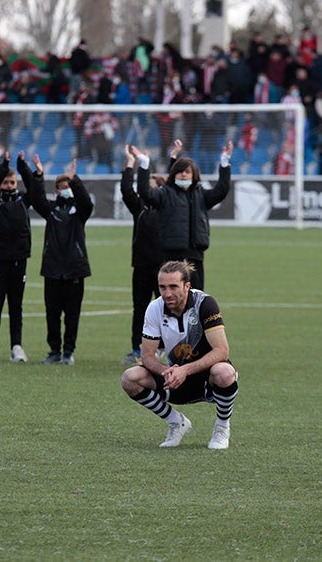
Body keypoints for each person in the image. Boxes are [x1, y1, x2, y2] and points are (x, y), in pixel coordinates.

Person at [120, 260, 238, 450]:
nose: (167, 293)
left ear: (187, 286)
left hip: (207, 377)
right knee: (130, 378)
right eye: (162, 287)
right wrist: (167, 371)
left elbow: (222, 351)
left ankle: (222, 427)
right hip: (174, 378)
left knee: (225, 372)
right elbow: (148, 356)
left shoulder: (205, 304)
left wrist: (185, 370)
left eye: (173, 287)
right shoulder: (155, 308)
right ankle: (176, 422)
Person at [131, 141, 232, 291]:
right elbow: (145, 192)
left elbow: (221, 190)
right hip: (172, 257)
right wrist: (144, 166)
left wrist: (224, 163)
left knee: (196, 299)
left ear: (194, 175)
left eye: (187, 172)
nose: (184, 175)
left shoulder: (201, 195)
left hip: (195, 256)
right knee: (173, 299)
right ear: (174, 174)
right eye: (180, 172)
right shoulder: (165, 193)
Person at [27, 159, 94, 365]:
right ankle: (54, 351)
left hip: (75, 269)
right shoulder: (51, 210)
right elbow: (36, 199)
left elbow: (86, 202)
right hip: (53, 269)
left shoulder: (80, 212)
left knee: (72, 315)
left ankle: (68, 352)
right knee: (52, 313)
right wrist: (38, 175)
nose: (67, 191)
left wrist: (75, 181)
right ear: (56, 191)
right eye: (63, 188)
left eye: (69, 188)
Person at [0, 151, 40, 364]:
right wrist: (4, 166)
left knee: (16, 306)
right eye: (5, 182)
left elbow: (35, 189)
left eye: (11, 181)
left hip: (19, 260)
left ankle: (17, 347)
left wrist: (24, 167)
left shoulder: (24, 201)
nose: (8, 185)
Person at [119, 145, 167, 367]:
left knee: (167, 308)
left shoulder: (168, 208)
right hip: (140, 265)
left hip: (164, 269)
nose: (147, 189)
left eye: (152, 185)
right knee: (140, 308)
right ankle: (137, 349)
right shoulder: (139, 208)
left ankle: (166, 349)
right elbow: (127, 190)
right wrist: (130, 164)